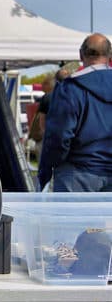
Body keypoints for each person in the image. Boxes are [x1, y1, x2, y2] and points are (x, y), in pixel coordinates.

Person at [38, 33, 112, 192]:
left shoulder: (70, 88)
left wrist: (45, 171)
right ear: (109, 55)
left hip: (76, 174)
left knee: (72, 218)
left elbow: (58, 136)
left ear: (80, 54)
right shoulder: (71, 87)